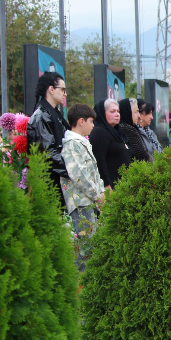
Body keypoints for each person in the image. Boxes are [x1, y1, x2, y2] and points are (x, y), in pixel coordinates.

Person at [60, 104, 104, 271]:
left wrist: (100, 192)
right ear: (80, 121)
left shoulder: (80, 142)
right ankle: (82, 284)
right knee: (86, 248)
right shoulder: (72, 144)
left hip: (89, 200)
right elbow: (79, 175)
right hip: (81, 202)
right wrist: (96, 194)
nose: (93, 126)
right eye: (91, 122)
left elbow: (93, 172)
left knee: (91, 244)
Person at [27, 71, 71, 207]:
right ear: (51, 89)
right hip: (49, 183)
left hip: (58, 181)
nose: (65, 94)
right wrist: (72, 169)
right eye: (62, 89)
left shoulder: (54, 113)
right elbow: (48, 152)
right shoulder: (41, 115)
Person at [90, 99, 133, 190]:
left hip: (124, 185)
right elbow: (99, 160)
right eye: (112, 111)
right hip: (111, 187)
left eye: (118, 111)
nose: (117, 114)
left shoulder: (118, 132)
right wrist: (106, 185)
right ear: (102, 113)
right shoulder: (99, 132)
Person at [118, 98, 152, 162]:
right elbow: (141, 154)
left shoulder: (133, 128)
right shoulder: (127, 129)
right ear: (128, 112)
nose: (139, 116)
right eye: (136, 112)